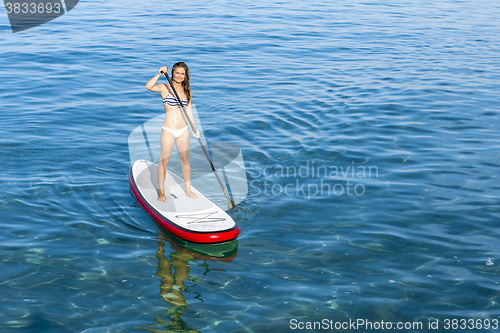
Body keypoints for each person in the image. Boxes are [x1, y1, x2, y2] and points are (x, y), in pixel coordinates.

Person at [145, 62, 200, 202]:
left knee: (185, 160)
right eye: (177, 73)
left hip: (183, 130)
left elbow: (189, 111)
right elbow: (148, 86)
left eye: (183, 74)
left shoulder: (187, 91)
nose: (180, 76)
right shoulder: (165, 88)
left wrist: (194, 129)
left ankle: (188, 190)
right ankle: (161, 192)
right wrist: (159, 74)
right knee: (164, 161)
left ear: (185, 76)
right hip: (168, 130)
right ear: (173, 73)